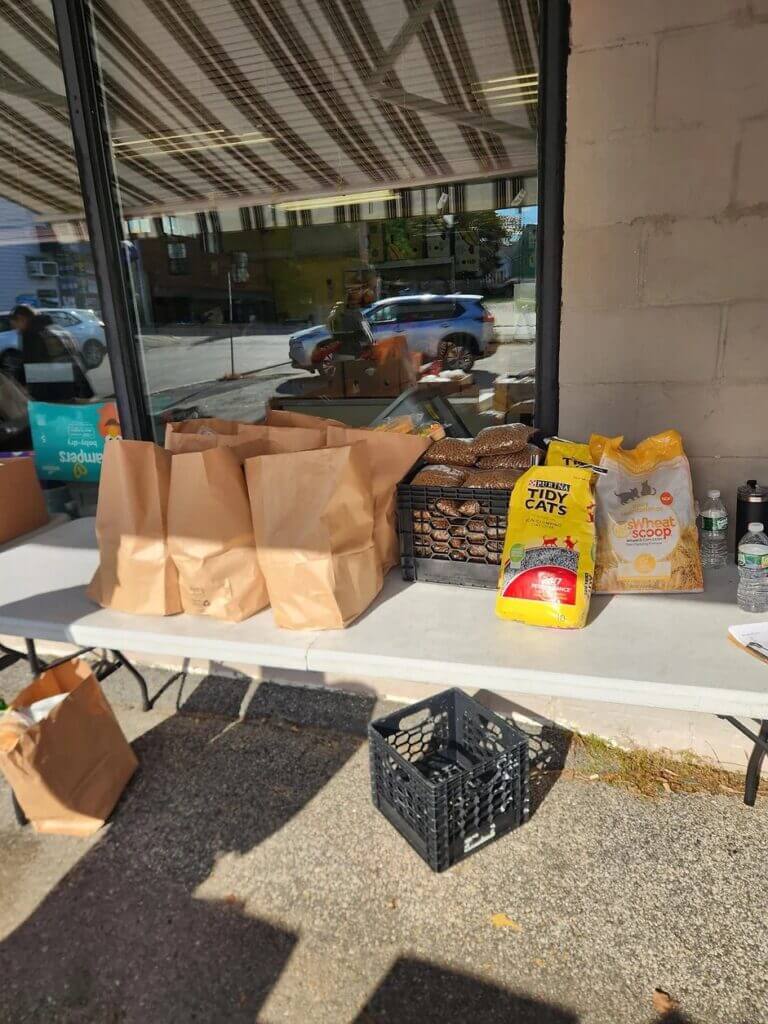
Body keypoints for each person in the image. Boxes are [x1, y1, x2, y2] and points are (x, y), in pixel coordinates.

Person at [9, 304, 94, 402]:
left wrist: (19, 383)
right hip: (75, 387)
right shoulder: (57, 328)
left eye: (15, 326)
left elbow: (30, 364)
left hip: (54, 392)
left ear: (21, 319)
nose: (17, 331)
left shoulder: (32, 334)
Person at [326, 285, 374, 360]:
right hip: (352, 355)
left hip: (337, 354)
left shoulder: (336, 313)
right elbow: (368, 337)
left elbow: (330, 329)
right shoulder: (357, 315)